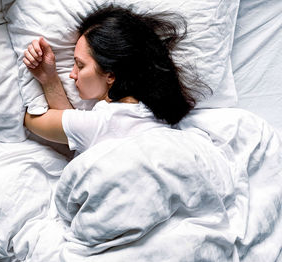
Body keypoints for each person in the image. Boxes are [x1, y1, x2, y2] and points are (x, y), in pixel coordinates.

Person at [23, 5, 208, 154]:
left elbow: (32, 121)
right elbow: (73, 129)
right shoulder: (160, 117)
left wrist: (48, 79)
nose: (72, 74)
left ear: (110, 75)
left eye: (80, 65)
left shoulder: (98, 124)